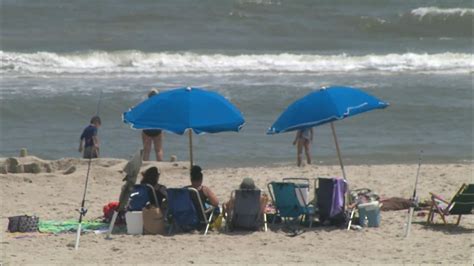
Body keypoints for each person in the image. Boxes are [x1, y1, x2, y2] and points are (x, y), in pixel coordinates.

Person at [142, 89, 164, 161]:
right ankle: (160, 165)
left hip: (147, 129)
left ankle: (145, 165)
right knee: (158, 150)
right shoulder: (160, 106)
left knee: (146, 151)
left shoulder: (145, 105)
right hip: (157, 129)